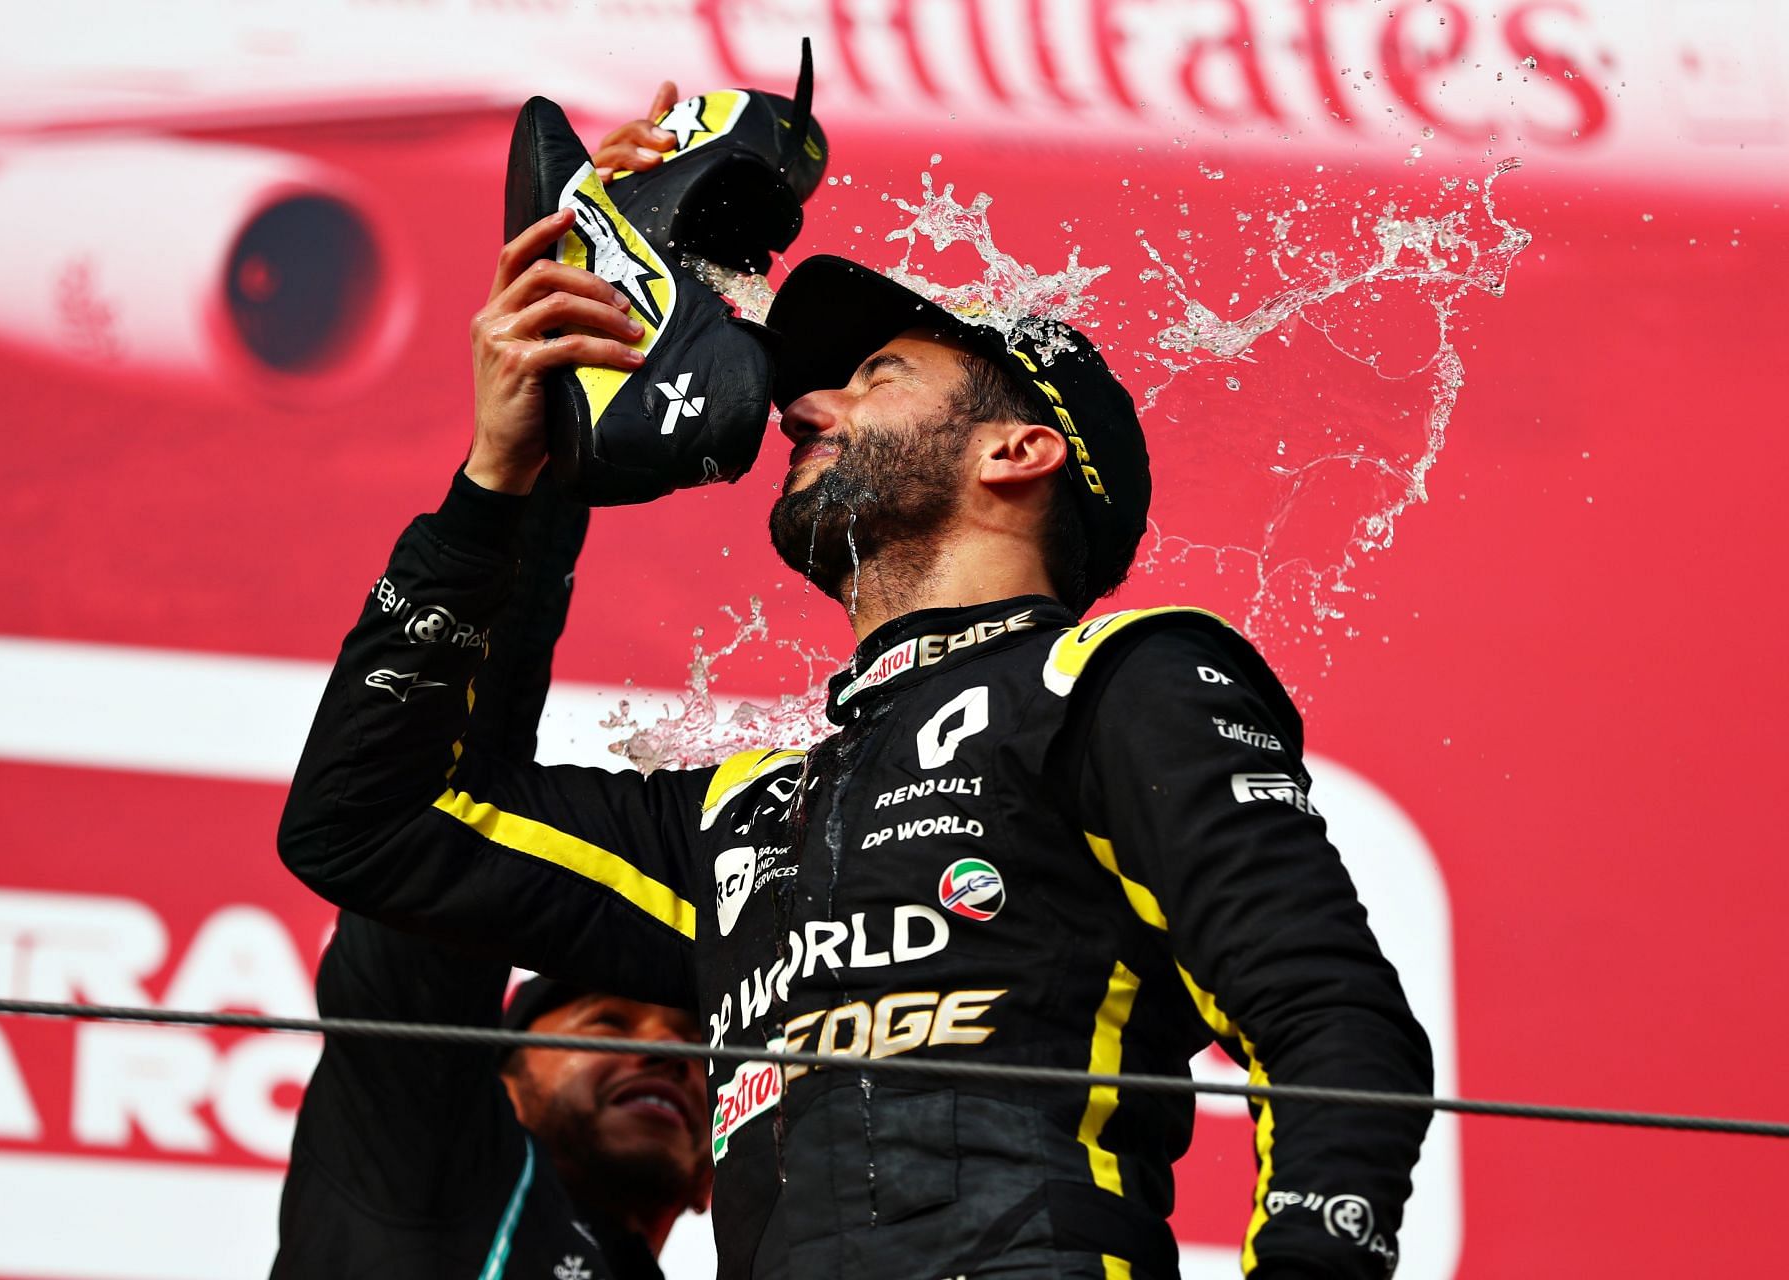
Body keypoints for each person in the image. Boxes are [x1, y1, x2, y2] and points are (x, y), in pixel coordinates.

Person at [279, 170, 1436, 1278]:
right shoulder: (742, 812)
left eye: (878, 372)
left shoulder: (1116, 679)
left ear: (1016, 449)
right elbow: (374, 823)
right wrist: (514, 480)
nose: (804, 404)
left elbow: (1333, 1022)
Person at [271, 93, 714, 1280]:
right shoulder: (430, 1153)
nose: (667, 1057)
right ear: (499, 1064)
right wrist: (525, 471)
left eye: (689, 1045)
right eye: (611, 1025)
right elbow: (447, 812)